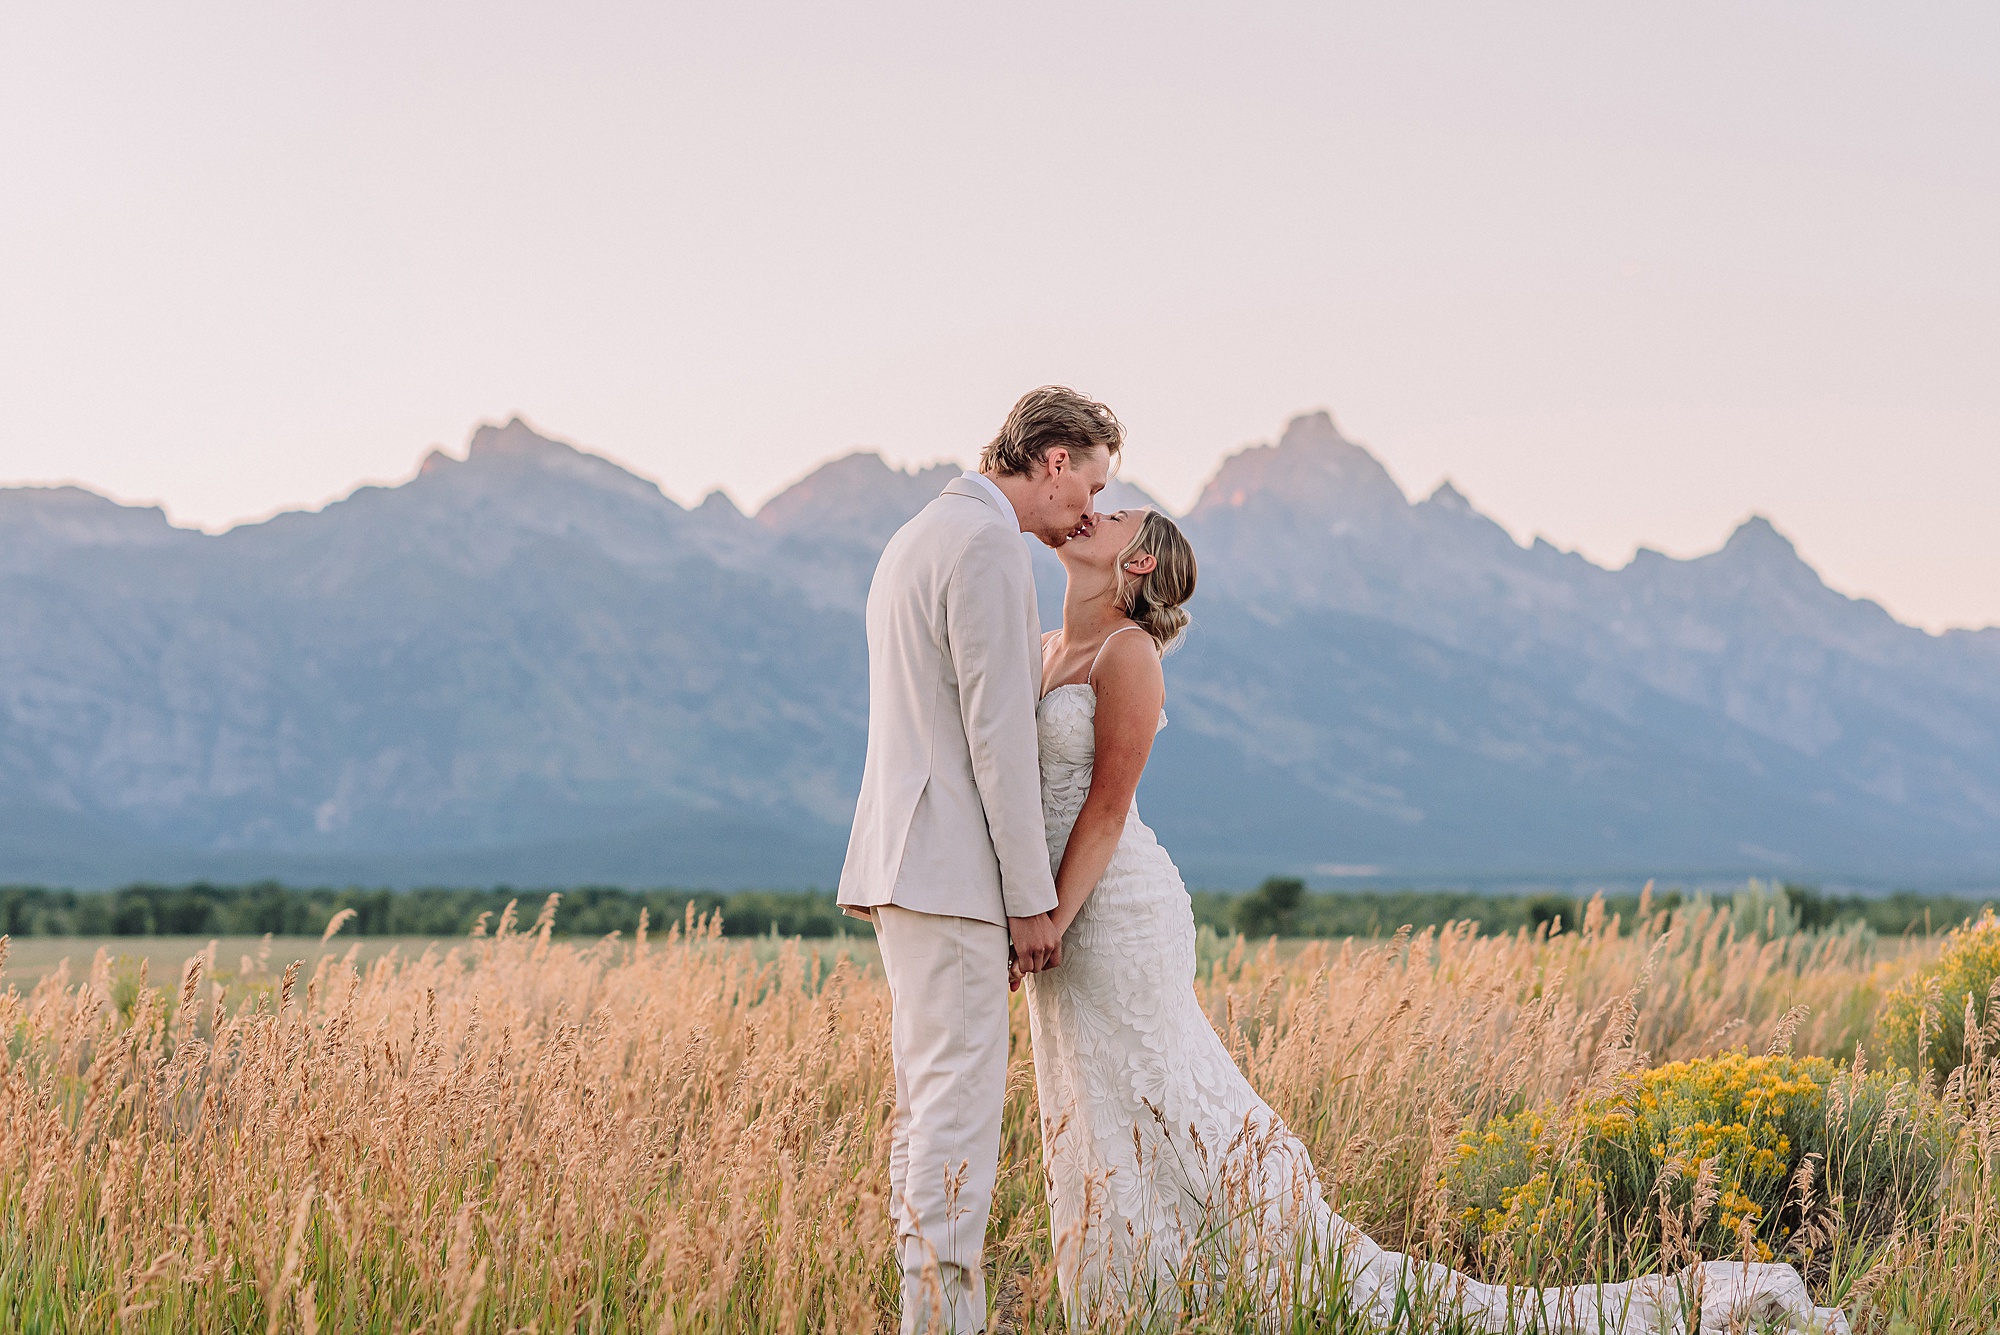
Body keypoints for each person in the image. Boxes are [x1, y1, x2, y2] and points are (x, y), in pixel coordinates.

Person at [1022, 506, 1851, 1335]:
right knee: (1093, 1100)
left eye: (1116, 512)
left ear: (1138, 563)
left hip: (1113, 913)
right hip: (1063, 911)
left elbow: (1108, 807)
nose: (1095, 510)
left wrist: (1052, 917)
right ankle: (1137, 1297)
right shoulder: (1048, 646)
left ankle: (1237, 1276)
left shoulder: (1128, 654)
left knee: (1158, 1092)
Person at [837, 386, 1121, 1334]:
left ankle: (925, 1315)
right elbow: (998, 735)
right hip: (952, 870)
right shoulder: (990, 544)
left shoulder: (917, 534)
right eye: (1092, 484)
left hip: (903, 865)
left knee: (928, 1112)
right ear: (1055, 460)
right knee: (954, 1123)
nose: (1090, 507)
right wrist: (1032, 900)